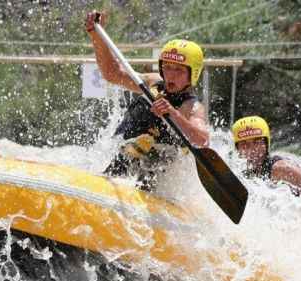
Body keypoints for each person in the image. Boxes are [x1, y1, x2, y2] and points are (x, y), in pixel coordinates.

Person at [85, 11, 209, 192]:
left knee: (156, 154)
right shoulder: (152, 82)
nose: (170, 75)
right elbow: (112, 73)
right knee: (132, 143)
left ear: (193, 74)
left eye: (178, 70)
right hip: (127, 153)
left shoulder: (192, 107)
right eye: (167, 67)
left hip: (156, 166)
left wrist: (173, 114)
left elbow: (203, 139)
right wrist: (96, 34)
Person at [231, 115, 301, 215]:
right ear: (237, 148)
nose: (252, 149)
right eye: (244, 144)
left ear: (266, 144)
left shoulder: (279, 168)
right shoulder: (240, 169)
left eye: (256, 142)